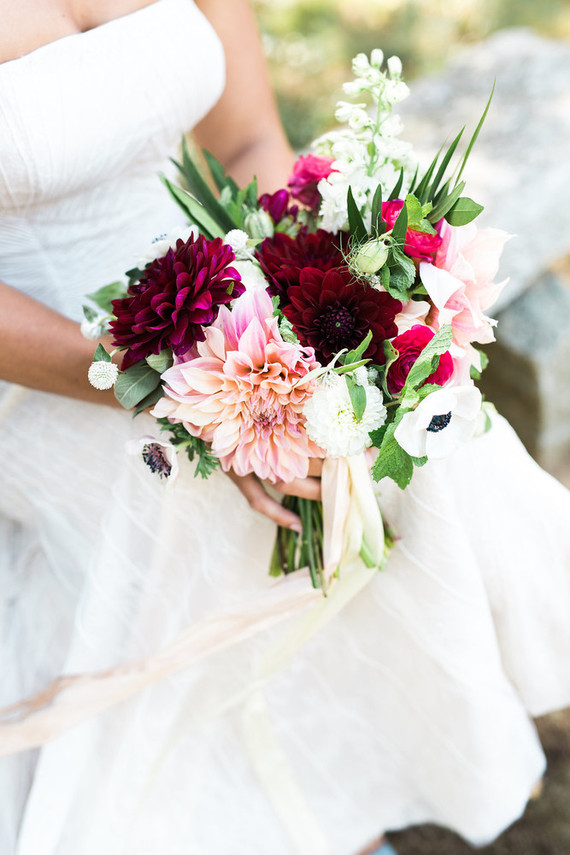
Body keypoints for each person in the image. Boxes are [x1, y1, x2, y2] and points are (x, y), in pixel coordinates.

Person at [1, 2, 569, 854]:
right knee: (177, 493)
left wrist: (307, 305)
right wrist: (188, 388)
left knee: (393, 444)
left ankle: (334, 802)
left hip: (226, 297)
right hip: (46, 362)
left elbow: (248, 147)